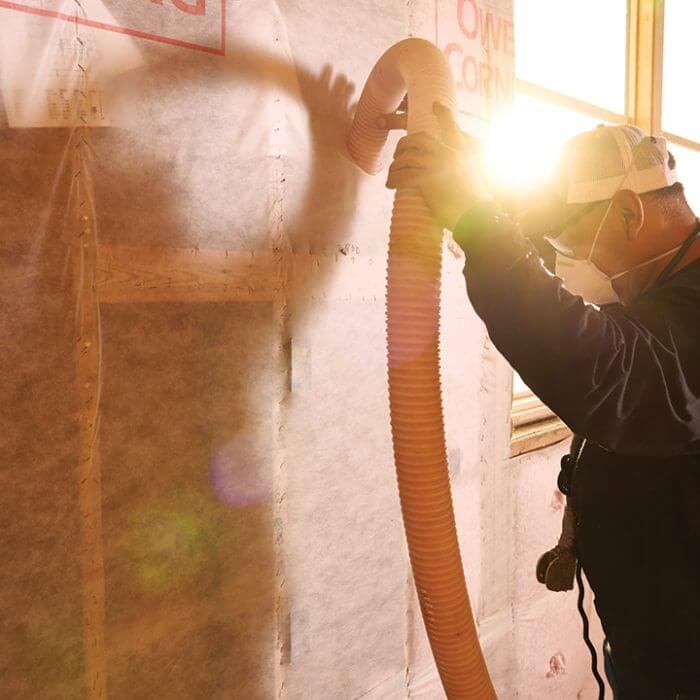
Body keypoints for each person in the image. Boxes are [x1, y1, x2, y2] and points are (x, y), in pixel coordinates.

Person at [381, 102, 700, 699]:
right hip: (654, 643)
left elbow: (606, 367)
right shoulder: (668, 285)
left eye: (573, 243)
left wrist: (477, 220)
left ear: (630, 213)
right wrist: (475, 173)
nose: (567, 267)